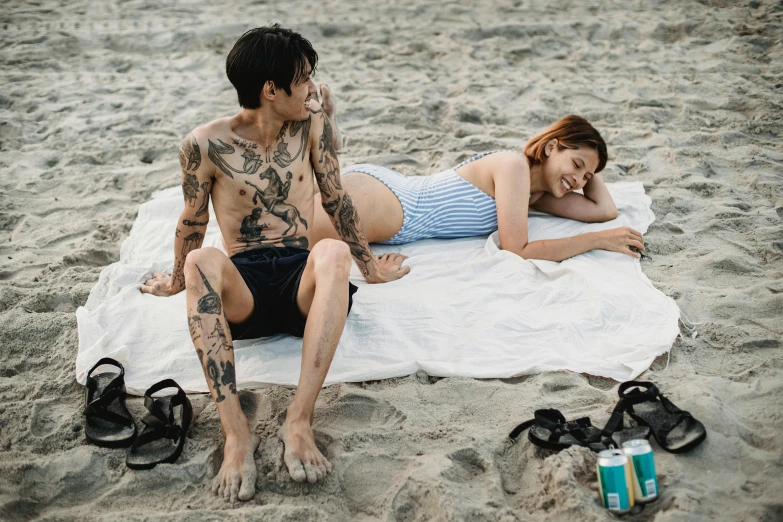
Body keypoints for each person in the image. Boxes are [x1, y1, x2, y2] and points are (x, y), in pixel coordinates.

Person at [139, 25, 409, 502]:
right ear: (270, 89)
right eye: (303, 78)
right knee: (204, 258)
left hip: (301, 281)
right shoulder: (203, 144)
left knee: (332, 251)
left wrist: (369, 267)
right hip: (243, 291)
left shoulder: (311, 125)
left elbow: (336, 199)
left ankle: (298, 420)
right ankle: (236, 434)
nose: (312, 88)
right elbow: (192, 221)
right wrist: (177, 280)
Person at [310, 114, 645, 261]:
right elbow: (518, 250)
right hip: (393, 203)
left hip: (390, 204)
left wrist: (589, 164)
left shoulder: (536, 196)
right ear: (551, 146)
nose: (579, 181)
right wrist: (599, 240)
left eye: (586, 178)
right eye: (575, 165)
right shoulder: (513, 166)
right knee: (280, 235)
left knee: (280, 226)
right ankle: (320, 133)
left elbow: (604, 210)